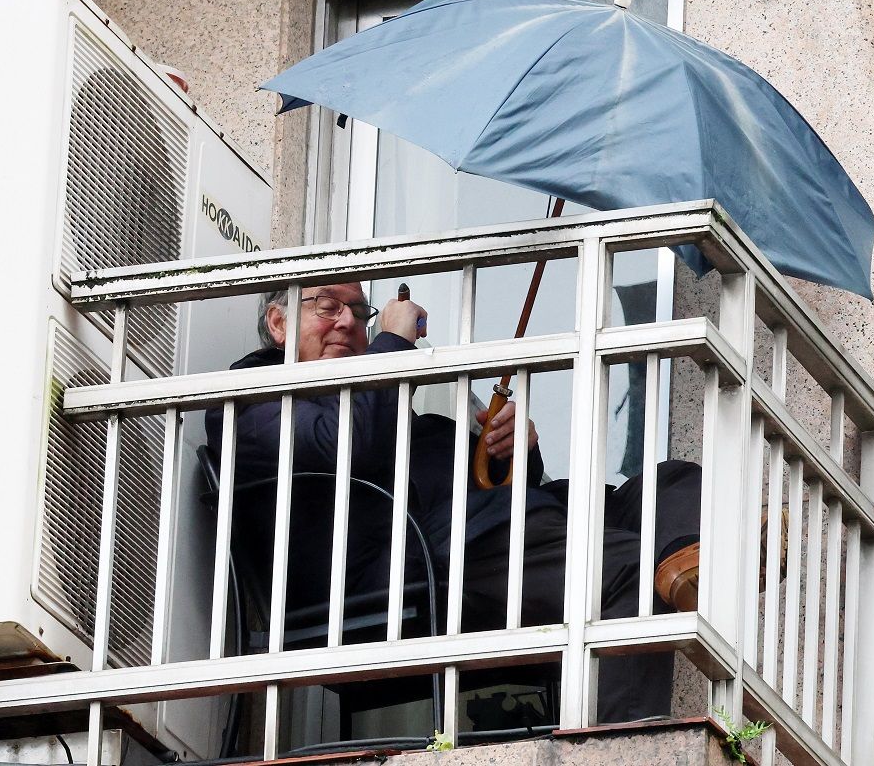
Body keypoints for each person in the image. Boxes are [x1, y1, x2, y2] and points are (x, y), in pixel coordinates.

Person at [205, 282, 704, 722]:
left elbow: (488, 485)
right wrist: (394, 344)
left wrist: (513, 451)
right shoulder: (251, 401)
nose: (348, 323)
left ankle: (690, 568)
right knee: (620, 571)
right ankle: (623, 746)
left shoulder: (399, 416)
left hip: (461, 547)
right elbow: (349, 441)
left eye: (360, 314)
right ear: (278, 323)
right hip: (386, 580)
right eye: (329, 307)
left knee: (671, 482)